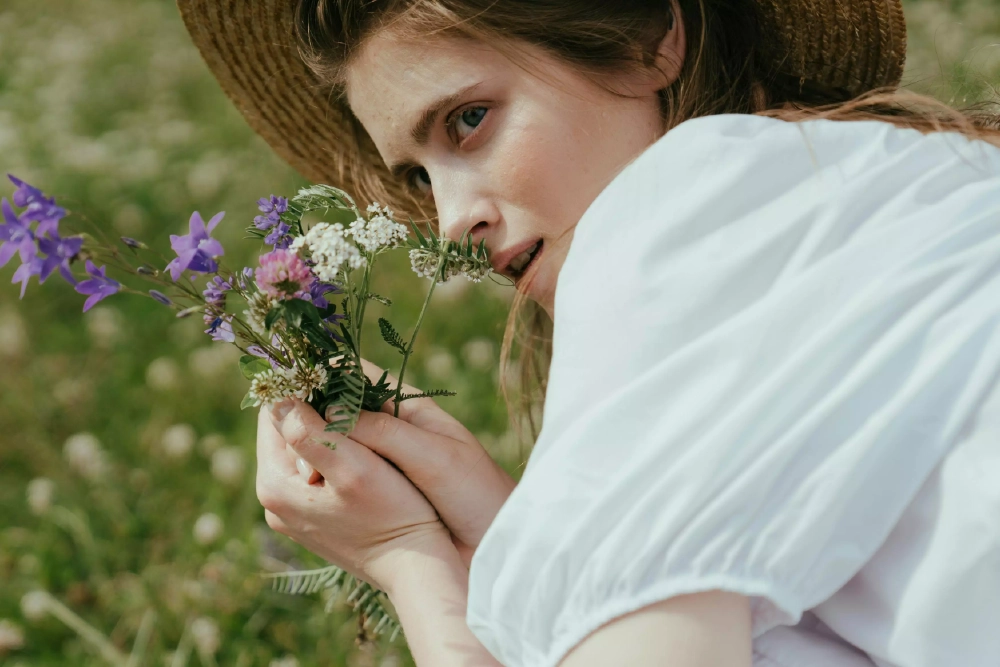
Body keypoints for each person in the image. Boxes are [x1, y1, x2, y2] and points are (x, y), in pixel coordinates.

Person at [179, 0, 1000, 665]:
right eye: (418, 177)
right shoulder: (878, 189)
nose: (452, 219)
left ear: (650, 39)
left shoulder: (663, 211)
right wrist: (512, 533)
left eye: (469, 120)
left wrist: (410, 561)